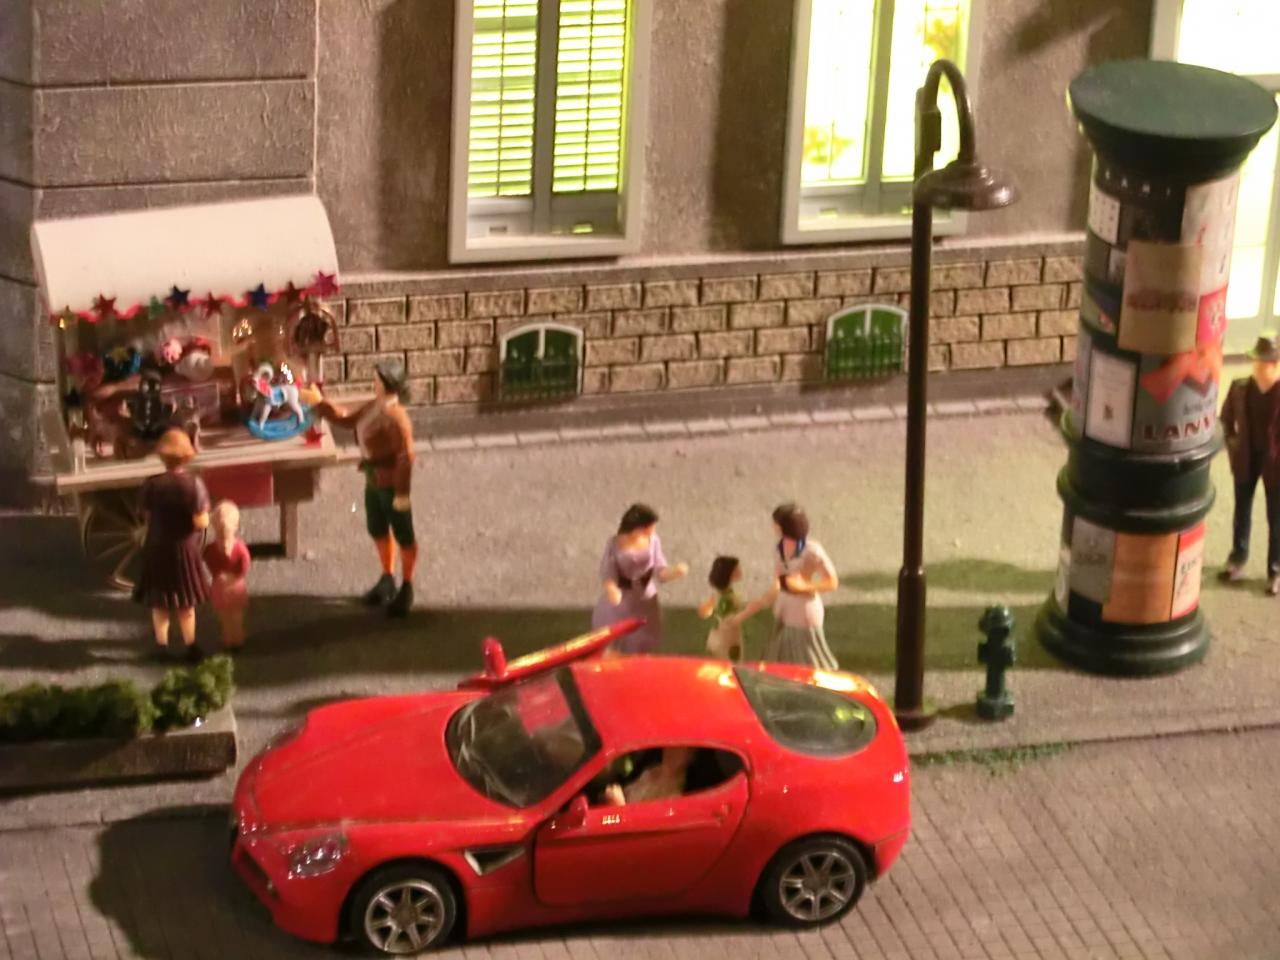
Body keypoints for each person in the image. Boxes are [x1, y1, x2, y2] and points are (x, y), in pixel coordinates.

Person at [313, 359, 418, 616]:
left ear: (388, 384)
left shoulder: (397, 418)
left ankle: (407, 586)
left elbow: (406, 457)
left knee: (403, 533)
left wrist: (402, 493)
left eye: (377, 379)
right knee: (377, 527)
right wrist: (321, 405)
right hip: (373, 478)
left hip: (391, 483)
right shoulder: (375, 406)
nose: (374, 382)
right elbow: (349, 420)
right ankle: (387, 577)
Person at [729, 502, 840, 668]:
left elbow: (832, 582)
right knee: (777, 655)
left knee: (805, 658)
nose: (773, 526)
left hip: (803, 611)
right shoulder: (778, 549)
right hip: (784, 607)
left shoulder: (812, 551)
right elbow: (777, 583)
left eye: (776, 523)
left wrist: (804, 586)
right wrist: (755, 606)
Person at [134, 428, 209, 660]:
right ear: (187, 456)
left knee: (160, 603)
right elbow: (201, 521)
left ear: (162, 456)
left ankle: (162, 647)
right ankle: (191, 646)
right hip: (184, 548)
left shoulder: (152, 484)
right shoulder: (194, 484)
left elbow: (144, 514)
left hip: (157, 546)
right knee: (186, 604)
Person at [1220, 334, 1280, 596]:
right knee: (1241, 511)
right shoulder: (1240, 387)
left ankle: (1275, 570)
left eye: (1265, 363)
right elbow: (1226, 418)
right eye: (1257, 361)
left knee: (1276, 518)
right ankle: (1238, 558)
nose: (1258, 367)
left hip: (1275, 464)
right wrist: (1233, 443)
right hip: (1246, 458)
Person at [592, 503, 688, 654]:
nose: (651, 532)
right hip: (622, 600)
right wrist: (612, 589)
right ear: (637, 527)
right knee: (617, 644)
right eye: (648, 528)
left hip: (645, 601)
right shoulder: (614, 544)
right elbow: (608, 572)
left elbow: (660, 570)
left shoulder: (653, 541)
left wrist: (675, 572)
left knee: (642, 642)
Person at [203, 500, 251, 649]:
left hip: (219, 584)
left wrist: (218, 574)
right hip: (236, 585)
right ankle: (238, 639)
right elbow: (245, 564)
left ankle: (228, 639)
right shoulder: (239, 548)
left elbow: (209, 562)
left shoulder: (210, 549)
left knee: (224, 617)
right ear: (236, 525)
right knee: (236, 616)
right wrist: (236, 575)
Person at [603, 748, 693, 806]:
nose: (671, 750)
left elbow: (643, 825)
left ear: (690, 757)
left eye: (680, 749)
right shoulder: (653, 770)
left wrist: (619, 807)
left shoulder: (674, 795)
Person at [698, 555, 745, 660]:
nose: (740, 571)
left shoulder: (722, 595)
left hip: (721, 635)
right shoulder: (726, 597)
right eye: (737, 569)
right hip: (726, 637)